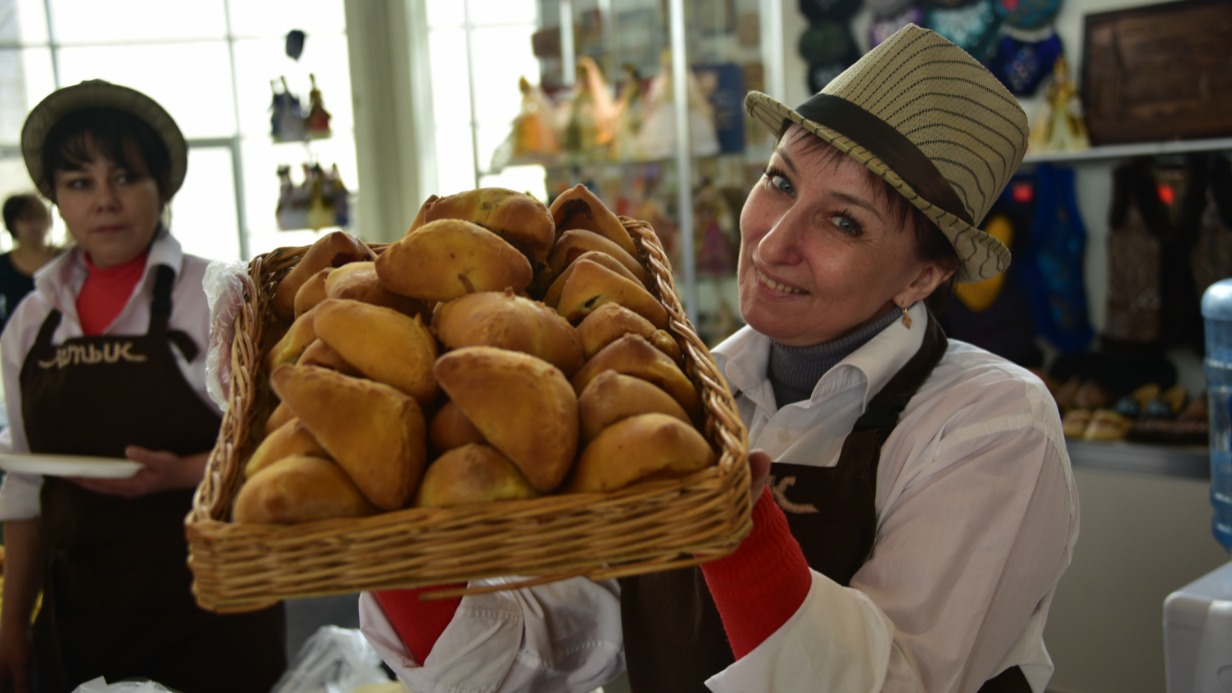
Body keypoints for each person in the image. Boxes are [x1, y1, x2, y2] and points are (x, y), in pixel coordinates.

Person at [358, 24, 1079, 693]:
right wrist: (383, 513)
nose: (771, 243)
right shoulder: (687, 389)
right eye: (780, 181)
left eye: (843, 221)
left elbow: (894, 680)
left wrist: (735, 521)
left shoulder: (991, 425)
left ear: (922, 277)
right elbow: (557, 642)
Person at [0, 80, 286, 693]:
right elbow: (23, 485)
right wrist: (11, 627)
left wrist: (183, 472)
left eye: (125, 177)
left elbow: (279, 445)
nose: (105, 200)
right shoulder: (30, 322)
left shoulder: (216, 296)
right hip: (82, 616)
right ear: (55, 199)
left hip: (212, 613)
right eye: (80, 183)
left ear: (162, 188)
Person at [0, 194, 58, 331]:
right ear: (12, 224)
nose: (35, 225)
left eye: (39, 217)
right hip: (17, 340)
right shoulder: (3, 264)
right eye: (26, 219)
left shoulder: (66, 258)